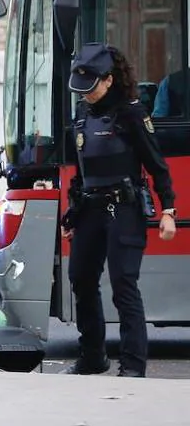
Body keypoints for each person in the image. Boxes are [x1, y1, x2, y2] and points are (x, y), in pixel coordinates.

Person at [60, 43, 176, 378]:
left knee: (123, 284)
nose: (87, 94)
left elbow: (158, 167)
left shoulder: (131, 115)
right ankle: (93, 356)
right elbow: (81, 173)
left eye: (92, 87)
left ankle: (133, 366)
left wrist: (168, 209)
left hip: (124, 208)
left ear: (109, 80)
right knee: (80, 277)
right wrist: (72, 213)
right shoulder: (82, 115)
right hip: (91, 210)